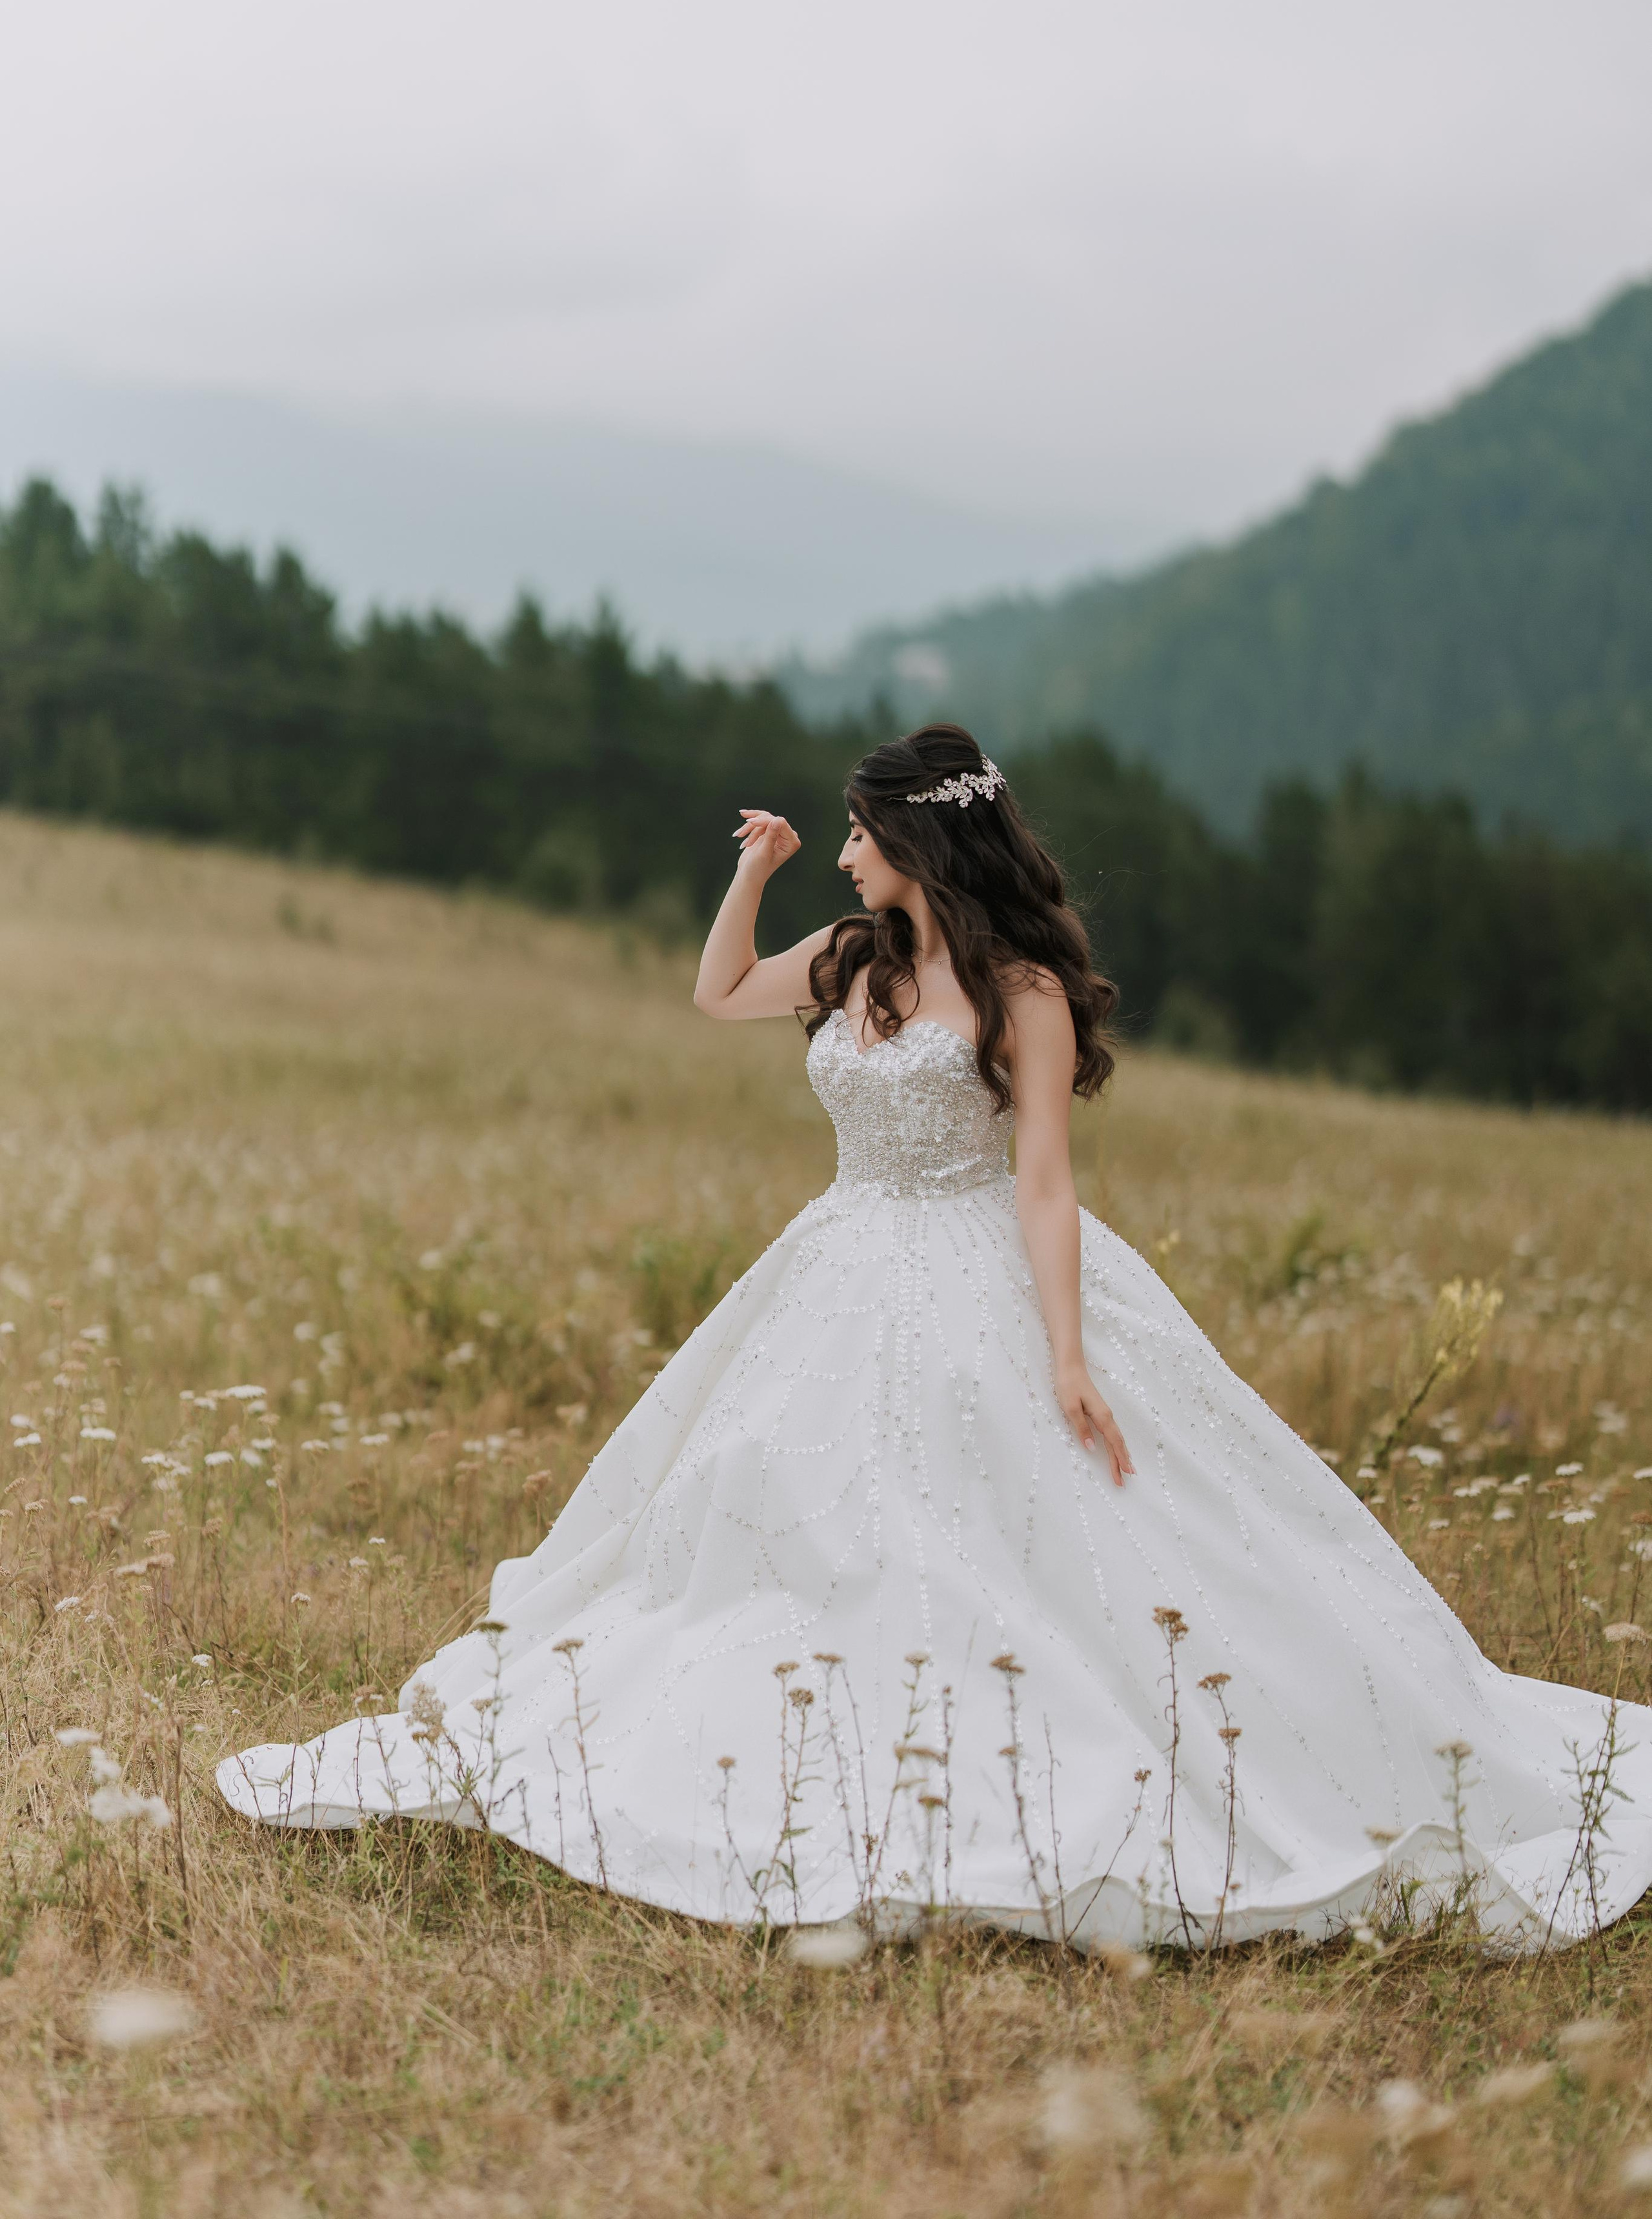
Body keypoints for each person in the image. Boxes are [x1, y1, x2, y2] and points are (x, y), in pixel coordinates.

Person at [219, 725, 1652, 1951]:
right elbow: (716, 995)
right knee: (779, 1520)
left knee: (1023, 1535)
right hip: (835, 1271)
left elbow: (1041, 1177)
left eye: (854, 834)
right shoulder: (849, 961)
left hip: (972, 1263)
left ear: (915, 838)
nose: (845, 855)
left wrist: (1069, 1352)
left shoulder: (1022, 992)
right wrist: (754, 868)